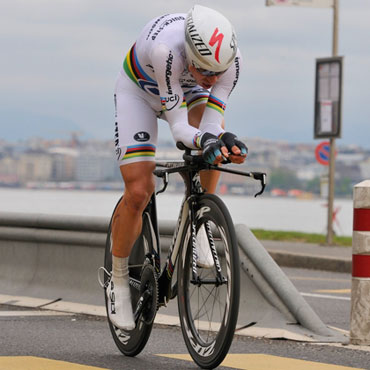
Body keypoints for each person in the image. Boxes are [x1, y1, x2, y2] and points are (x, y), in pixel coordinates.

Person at [107, 4, 248, 330]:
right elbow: (182, 132)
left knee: (213, 148)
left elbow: (210, 124)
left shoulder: (231, 63)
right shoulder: (165, 50)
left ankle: (198, 222)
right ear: (188, 54)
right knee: (140, 191)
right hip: (140, 92)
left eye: (218, 73)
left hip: (186, 90)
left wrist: (222, 140)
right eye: (206, 72)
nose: (214, 80)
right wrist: (208, 139)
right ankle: (118, 280)